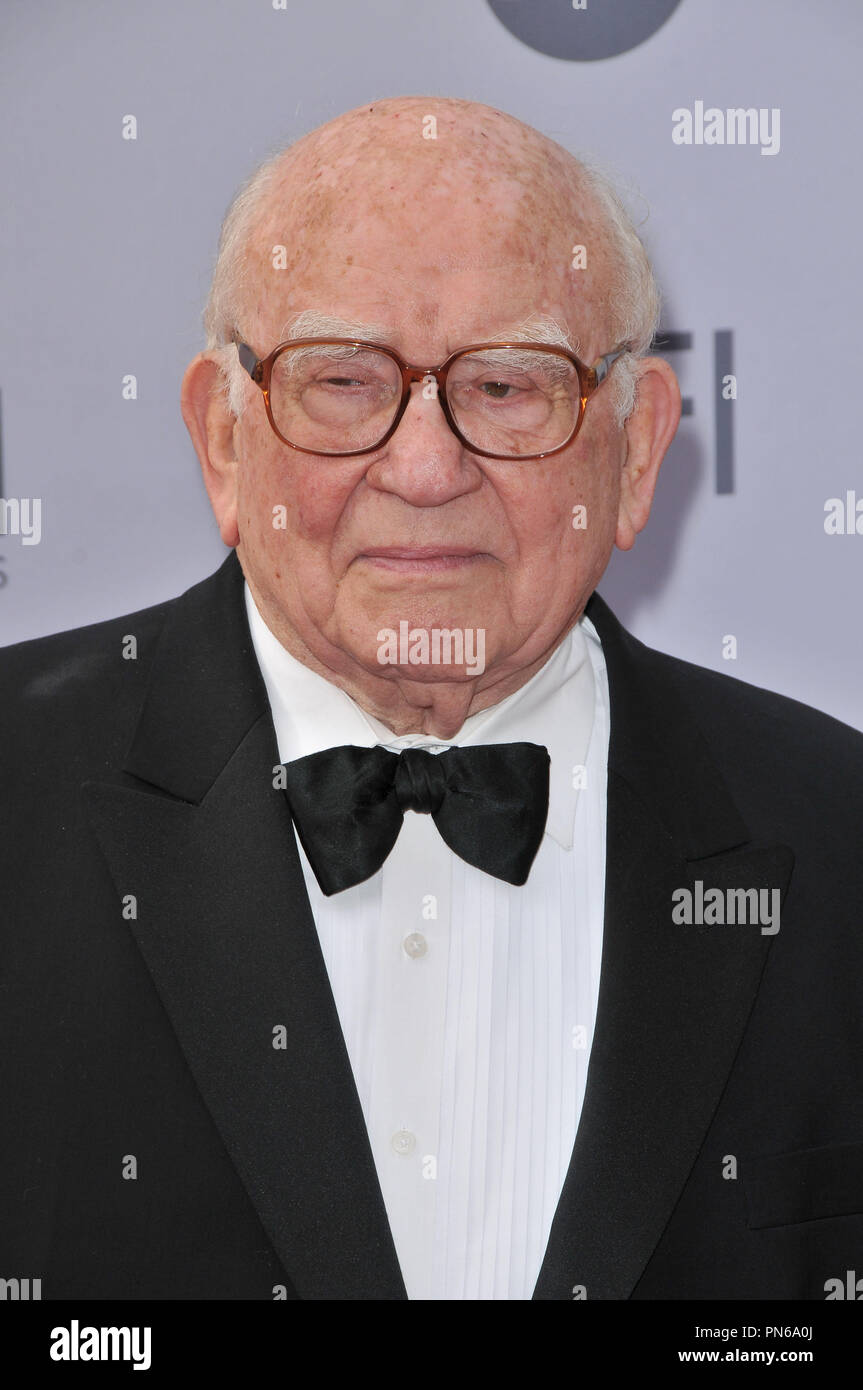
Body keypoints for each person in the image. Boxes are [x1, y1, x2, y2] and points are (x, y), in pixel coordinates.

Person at [2, 97, 861, 1302]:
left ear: (635, 450)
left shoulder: (837, 836)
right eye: (341, 380)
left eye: (510, 385)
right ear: (223, 443)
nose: (422, 466)